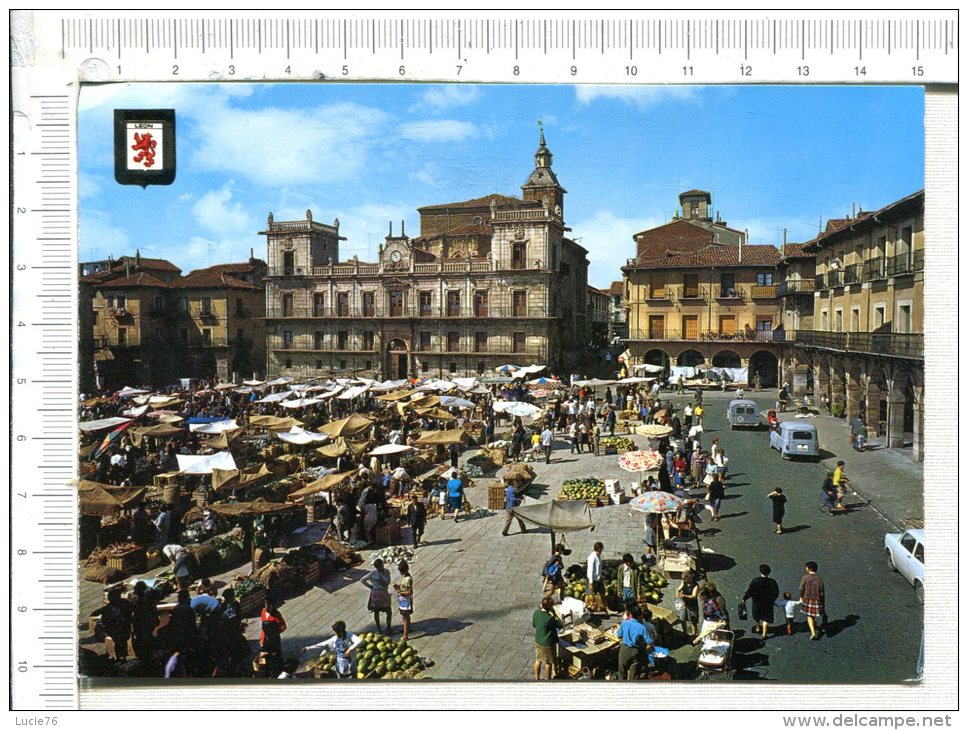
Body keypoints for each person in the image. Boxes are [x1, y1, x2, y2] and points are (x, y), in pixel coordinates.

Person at [616, 603, 656, 680]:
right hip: (636, 652)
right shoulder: (642, 628)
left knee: (622, 672)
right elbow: (650, 643)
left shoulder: (624, 623)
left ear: (630, 614)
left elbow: (619, 636)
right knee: (634, 674)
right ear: (640, 615)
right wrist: (644, 650)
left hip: (623, 650)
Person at [742, 564, 781, 640]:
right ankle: (764, 634)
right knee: (766, 618)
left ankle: (757, 626)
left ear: (760, 571)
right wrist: (772, 600)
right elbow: (776, 592)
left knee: (756, 615)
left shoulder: (755, 581)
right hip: (767, 603)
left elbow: (750, 591)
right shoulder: (772, 582)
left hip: (757, 602)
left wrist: (744, 598)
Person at [532, 596, 564, 680]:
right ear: (550, 607)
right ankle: (547, 680)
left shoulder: (536, 613)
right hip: (547, 644)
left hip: (538, 640)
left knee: (538, 659)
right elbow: (560, 625)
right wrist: (555, 614)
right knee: (548, 663)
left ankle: (537, 678)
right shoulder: (550, 618)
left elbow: (534, 625)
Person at [101, 586, 133, 662]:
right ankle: (119, 658)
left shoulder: (124, 602)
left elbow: (130, 610)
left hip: (124, 627)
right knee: (119, 643)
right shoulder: (108, 609)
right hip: (115, 630)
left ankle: (123, 657)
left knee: (124, 642)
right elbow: (105, 621)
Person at [258, 599, 287, 679]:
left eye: (269, 607)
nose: (268, 609)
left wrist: (275, 632)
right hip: (266, 638)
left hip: (274, 639)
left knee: (276, 655)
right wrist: (262, 639)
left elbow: (283, 626)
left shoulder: (276, 615)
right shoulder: (263, 613)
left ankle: (277, 671)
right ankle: (267, 672)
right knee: (265, 656)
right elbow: (263, 629)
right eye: (266, 608)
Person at [364, 558, 392, 635]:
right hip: (376, 594)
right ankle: (379, 629)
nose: (382, 567)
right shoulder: (373, 573)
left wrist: (381, 575)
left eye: (382, 565)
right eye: (380, 566)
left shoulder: (386, 571)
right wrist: (371, 587)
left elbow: (387, 582)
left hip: (384, 593)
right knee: (376, 612)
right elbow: (362, 579)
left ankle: (389, 627)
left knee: (388, 611)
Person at [799, 561, 826, 640]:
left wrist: (801, 596)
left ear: (809, 568)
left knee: (809, 615)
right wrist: (823, 602)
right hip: (817, 599)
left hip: (807, 598)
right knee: (812, 615)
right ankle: (814, 628)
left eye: (806, 567)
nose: (805, 568)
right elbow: (822, 592)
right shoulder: (819, 579)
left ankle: (813, 632)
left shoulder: (805, 577)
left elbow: (801, 588)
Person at [394, 560, 414, 642]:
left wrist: (400, 592)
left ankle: (405, 635)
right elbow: (404, 587)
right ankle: (408, 628)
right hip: (403, 600)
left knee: (405, 617)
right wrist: (398, 587)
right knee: (405, 616)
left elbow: (410, 591)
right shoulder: (405, 577)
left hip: (406, 600)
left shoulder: (408, 579)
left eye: (401, 571)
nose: (400, 573)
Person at [586, 542, 609, 614]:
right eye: (601, 549)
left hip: (598, 579)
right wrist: (591, 583)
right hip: (593, 580)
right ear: (599, 549)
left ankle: (607, 609)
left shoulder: (598, 555)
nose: (602, 550)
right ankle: (587, 611)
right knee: (590, 597)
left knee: (602, 593)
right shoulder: (592, 557)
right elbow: (590, 570)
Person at [676, 570, 701, 636]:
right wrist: (677, 593)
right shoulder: (684, 582)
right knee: (682, 619)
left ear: (690, 578)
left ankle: (694, 635)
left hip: (692, 606)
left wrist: (684, 595)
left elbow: (694, 596)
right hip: (684, 605)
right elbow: (678, 589)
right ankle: (684, 633)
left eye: (685, 579)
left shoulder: (695, 585)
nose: (684, 580)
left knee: (693, 621)